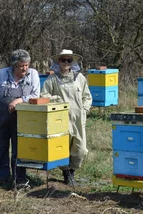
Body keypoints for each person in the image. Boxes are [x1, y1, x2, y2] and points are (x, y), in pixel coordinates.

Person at [0, 49, 40, 185]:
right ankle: (0, 177)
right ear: (14, 65)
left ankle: (19, 178)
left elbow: (36, 95)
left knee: (19, 148)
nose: (25, 68)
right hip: (1, 116)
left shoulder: (33, 74)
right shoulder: (2, 74)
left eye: (27, 65)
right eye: (22, 65)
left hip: (22, 118)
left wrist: (19, 100)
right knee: (0, 146)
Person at [41, 49, 92, 185]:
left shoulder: (80, 78)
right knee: (62, 147)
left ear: (72, 62)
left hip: (78, 119)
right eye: (63, 60)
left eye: (69, 60)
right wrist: (55, 99)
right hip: (60, 119)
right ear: (58, 61)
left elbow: (87, 96)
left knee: (80, 149)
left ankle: (73, 170)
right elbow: (44, 95)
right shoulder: (52, 79)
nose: (66, 63)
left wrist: (85, 109)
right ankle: (67, 174)